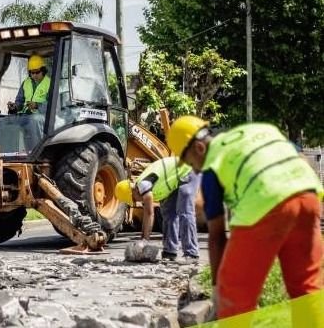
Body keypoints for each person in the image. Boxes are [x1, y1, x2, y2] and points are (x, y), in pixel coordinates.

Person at [167, 116, 323, 321]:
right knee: (307, 287)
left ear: (199, 148)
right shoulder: (258, 130)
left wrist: (217, 288)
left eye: (190, 163)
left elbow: (216, 237)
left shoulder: (213, 164)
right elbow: (299, 155)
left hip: (264, 203)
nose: (195, 170)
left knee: (235, 295)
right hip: (307, 194)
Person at [116, 156, 200, 261]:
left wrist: (144, 241)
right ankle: (170, 251)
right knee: (169, 214)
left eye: (133, 199)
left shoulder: (144, 185)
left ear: (132, 191)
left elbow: (149, 213)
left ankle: (191, 253)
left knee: (185, 211)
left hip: (188, 170)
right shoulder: (145, 186)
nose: (137, 201)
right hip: (174, 179)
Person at [4, 55, 51, 150]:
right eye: (31, 73)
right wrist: (15, 107)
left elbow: (54, 105)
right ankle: (7, 153)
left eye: (37, 72)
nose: (34, 75)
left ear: (43, 70)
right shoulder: (26, 83)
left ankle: (36, 152)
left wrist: (37, 105)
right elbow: (20, 101)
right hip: (26, 115)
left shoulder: (50, 83)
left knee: (33, 120)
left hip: (44, 117)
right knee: (5, 122)